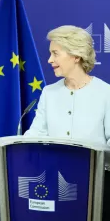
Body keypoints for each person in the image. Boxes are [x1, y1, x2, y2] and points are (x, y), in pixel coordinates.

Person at [24, 25, 110, 220]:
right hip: (54, 182)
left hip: (97, 187)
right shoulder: (49, 92)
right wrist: (21, 148)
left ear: (76, 56)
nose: (49, 60)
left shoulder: (106, 93)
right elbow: (37, 133)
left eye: (55, 53)